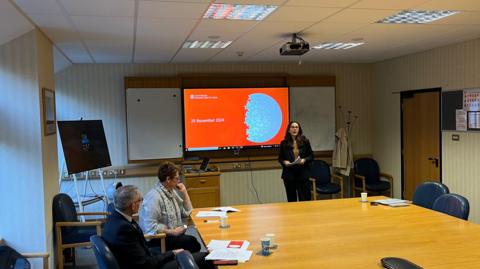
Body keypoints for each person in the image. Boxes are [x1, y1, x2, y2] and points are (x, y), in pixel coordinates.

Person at [102, 185, 209, 269]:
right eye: (140, 200)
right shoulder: (124, 229)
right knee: (206, 257)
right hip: (147, 266)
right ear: (133, 205)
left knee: (187, 251)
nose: (141, 202)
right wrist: (172, 253)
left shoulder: (114, 219)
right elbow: (145, 264)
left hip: (143, 259)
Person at [140, 161, 201, 253]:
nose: (178, 181)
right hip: (159, 239)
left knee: (193, 242)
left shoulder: (170, 192)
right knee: (192, 243)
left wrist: (184, 192)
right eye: (176, 178)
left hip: (171, 235)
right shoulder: (154, 197)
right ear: (168, 179)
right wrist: (173, 232)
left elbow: (187, 212)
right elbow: (149, 227)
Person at [278, 121, 314, 202]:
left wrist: (304, 160)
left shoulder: (305, 141)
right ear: (289, 130)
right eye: (292, 127)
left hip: (302, 174)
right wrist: (284, 162)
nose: (294, 129)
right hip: (289, 175)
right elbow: (280, 158)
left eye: (296, 127)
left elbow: (311, 156)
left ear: (299, 129)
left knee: (305, 199)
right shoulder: (284, 143)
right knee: (291, 200)